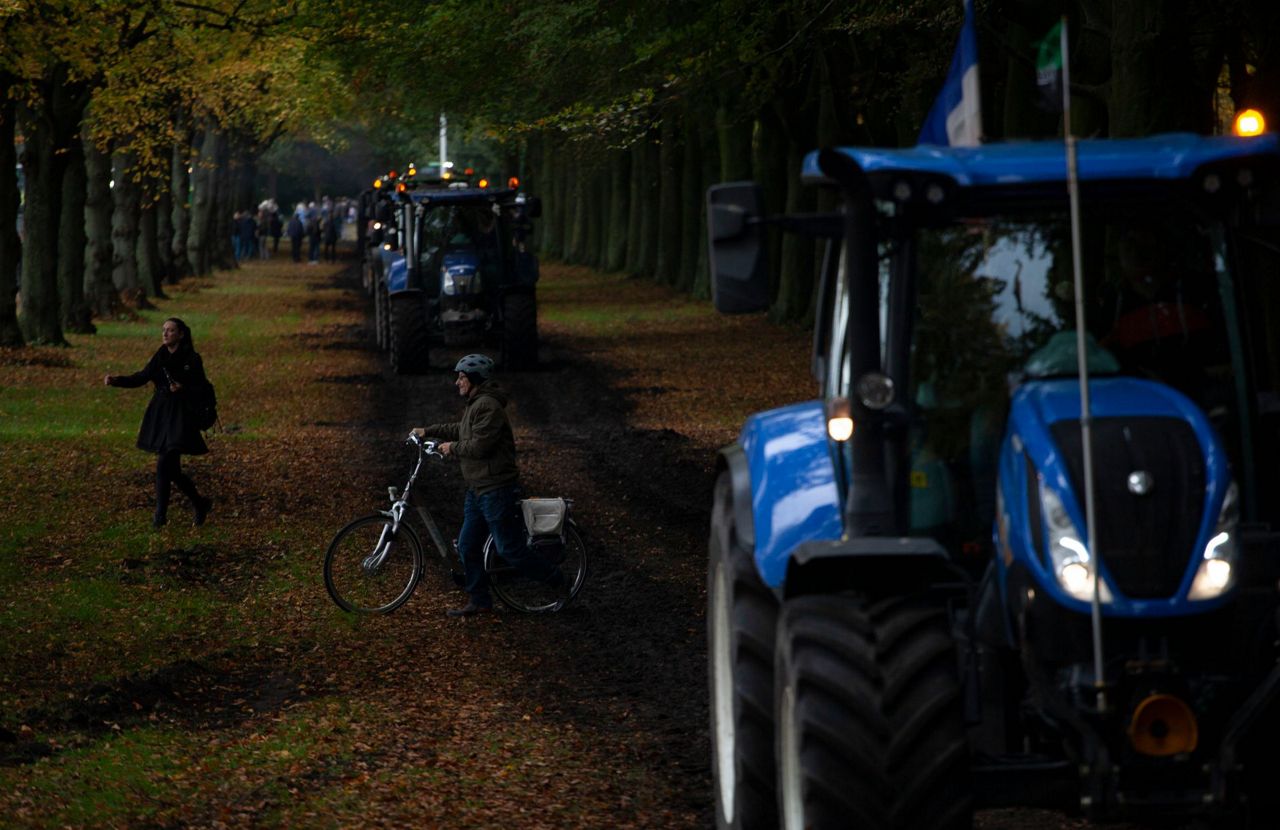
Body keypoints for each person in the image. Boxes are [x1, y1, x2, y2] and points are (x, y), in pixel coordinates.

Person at [413, 354, 560, 616]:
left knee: (510, 550)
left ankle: (557, 580)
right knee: (468, 546)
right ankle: (479, 600)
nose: (457, 382)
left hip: (496, 489)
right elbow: (461, 429)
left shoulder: (489, 407)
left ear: (475, 379)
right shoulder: (476, 404)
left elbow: (479, 446)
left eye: (461, 377)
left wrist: (451, 448)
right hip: (478, 489)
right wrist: (429, 430)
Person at [103, 317, 213, 529]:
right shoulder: (160, 356)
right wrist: (117, 380)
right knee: (172, 470)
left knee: (165, 462)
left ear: (180, 334)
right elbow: (142, 377)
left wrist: (184, 388)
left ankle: (159, 517)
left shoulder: (192, 358)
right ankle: (199, 502)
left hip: (181, 416)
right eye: (163, 330)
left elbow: (202, 387)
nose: (165, 334)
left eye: (170, 331)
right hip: (161, 414)